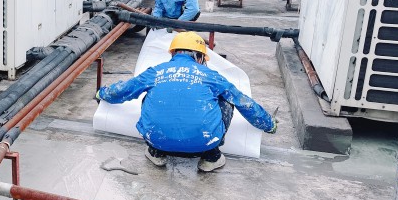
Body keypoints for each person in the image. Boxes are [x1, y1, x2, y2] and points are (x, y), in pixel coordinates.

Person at [96, 32, 277, 172]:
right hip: (202, 144)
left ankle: (156, 153)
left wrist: (102, 93)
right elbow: (244, 102)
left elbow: (122, 91)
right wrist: (269, 124)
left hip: (158, 140)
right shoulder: (211, 76)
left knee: (148, 96)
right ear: (199, 57)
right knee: (226, 99)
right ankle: (211, 158)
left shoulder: (156, 72)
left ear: (174, 53)